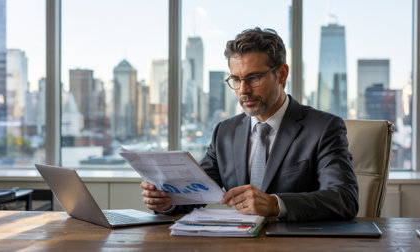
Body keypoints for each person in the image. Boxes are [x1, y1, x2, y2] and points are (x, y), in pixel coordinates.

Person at [141, 27, 358, 221]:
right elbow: (197, 192)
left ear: (282, 74)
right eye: (236, 79)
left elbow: (344, 198)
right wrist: (168, 200)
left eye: (254, 78)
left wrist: (275, 204)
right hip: (238, 243)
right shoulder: (224, 132)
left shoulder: (323, 128)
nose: (243, 90)